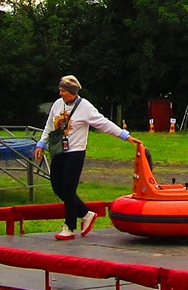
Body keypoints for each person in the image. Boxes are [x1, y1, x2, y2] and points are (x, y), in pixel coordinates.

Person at [34, 75, 130, 240]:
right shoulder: (58, 105)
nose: (60, 94)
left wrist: (124, 135)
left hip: (75, 152)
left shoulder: (84, 107)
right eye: (60, 90)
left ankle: (69, 226)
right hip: (58, 151)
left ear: (71, 91)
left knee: (69, 189)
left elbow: (103, 123)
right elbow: (49, 125)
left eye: (63, 91)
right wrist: (41, 144)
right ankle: (86, 214)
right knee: (57, 187)